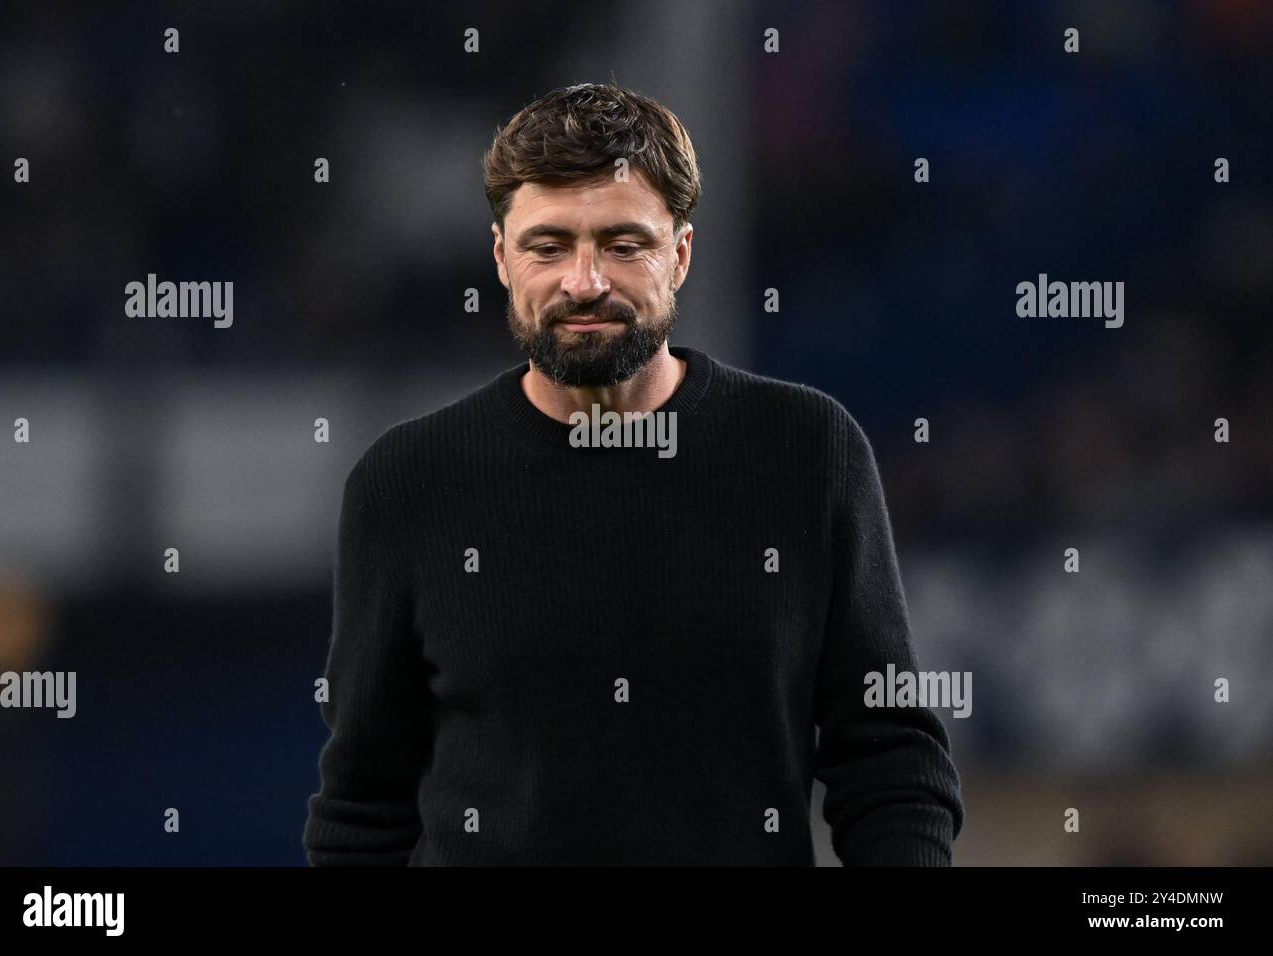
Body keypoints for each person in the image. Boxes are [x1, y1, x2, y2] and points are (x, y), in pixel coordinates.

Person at [303, 82, 963, 865]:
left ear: (679, 254)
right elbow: (363, 809)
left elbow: (891, 765)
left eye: (623, 245)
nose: (585, 282)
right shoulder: (405, 482)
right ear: (501, 258)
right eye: (548, 247)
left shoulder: (808, 451)